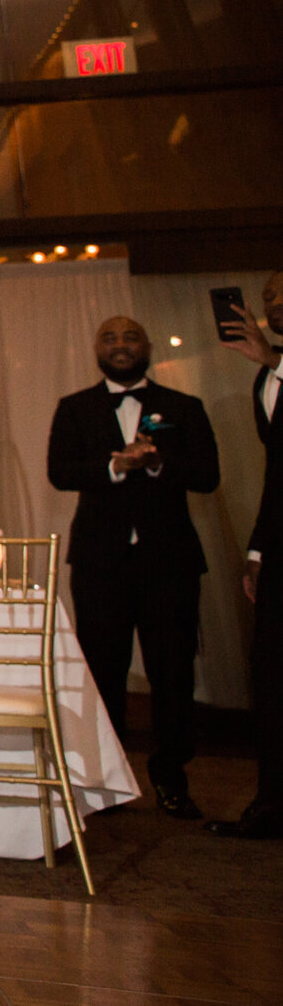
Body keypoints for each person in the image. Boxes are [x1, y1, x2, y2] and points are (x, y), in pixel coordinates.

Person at [49, 314, 222, 820]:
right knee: (103, 671)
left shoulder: (182, 407)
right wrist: (113, 467)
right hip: (101, 563)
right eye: (109, 337)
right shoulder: (74, 408)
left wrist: (156, 463)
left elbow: (209, 476)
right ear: (96, 348)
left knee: (172, 672)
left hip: (169, 562)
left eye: (130, 337)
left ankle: (172, 777)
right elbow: (60, 472)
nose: (120, 346)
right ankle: (107, 781)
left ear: (146, 346)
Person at [213, 271, 283, 839]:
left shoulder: (275, 371)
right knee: (271, 674)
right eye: (266, 297)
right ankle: (272, 804)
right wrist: (258, 549)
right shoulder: (267, 379)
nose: (273, 302)